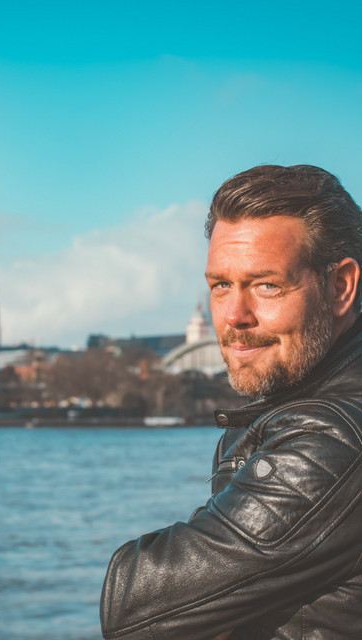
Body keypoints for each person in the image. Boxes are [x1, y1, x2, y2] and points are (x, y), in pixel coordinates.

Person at [100, 164, 362, 640]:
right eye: (221, 285)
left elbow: (132, 609)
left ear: (340, 287)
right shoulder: (303, 406)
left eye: (266, 285)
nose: (234, 316)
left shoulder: (331, 442)